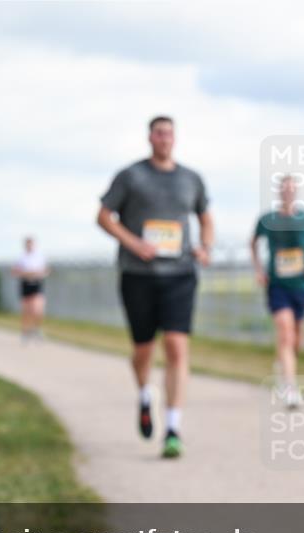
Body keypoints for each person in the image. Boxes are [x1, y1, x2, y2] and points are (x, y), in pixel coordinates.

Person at [96, 116, 214, 459]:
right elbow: (104, 216)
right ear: (150, 137)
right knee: (143, 350)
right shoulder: (131, 176)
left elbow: (205, 217)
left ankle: (173, 427)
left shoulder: (191, 179)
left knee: (177, 346)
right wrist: (134, 243)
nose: (164, 138)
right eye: (159, 132)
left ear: (175, 138)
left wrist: (205, 246)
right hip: (139, 275)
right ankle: (145, 395)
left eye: (169, 133)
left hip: (180, 274)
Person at [251, 175, 304, 409]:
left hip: (302, 285)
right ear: (278, 192)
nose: (287, 192)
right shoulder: (267, 220)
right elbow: (253, 243)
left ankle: (283, 365)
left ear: (296, 192)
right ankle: (290, 388)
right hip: (277, 285)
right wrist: (258, 269)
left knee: (296, 340)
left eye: (292, 189)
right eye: (284, 188)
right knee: (285, 332)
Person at [12, 236, 49, 343]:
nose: (30, 246)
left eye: (31, 244)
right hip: (26, 284)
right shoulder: (22, 257)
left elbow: (45, 270)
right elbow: (15, 271)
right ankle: (25, 331)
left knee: (38, 309)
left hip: (37, 283)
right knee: (26, 310)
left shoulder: (39, 257)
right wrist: (26, 273)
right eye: (28, 244)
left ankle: (37, 329)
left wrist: (37, 273)